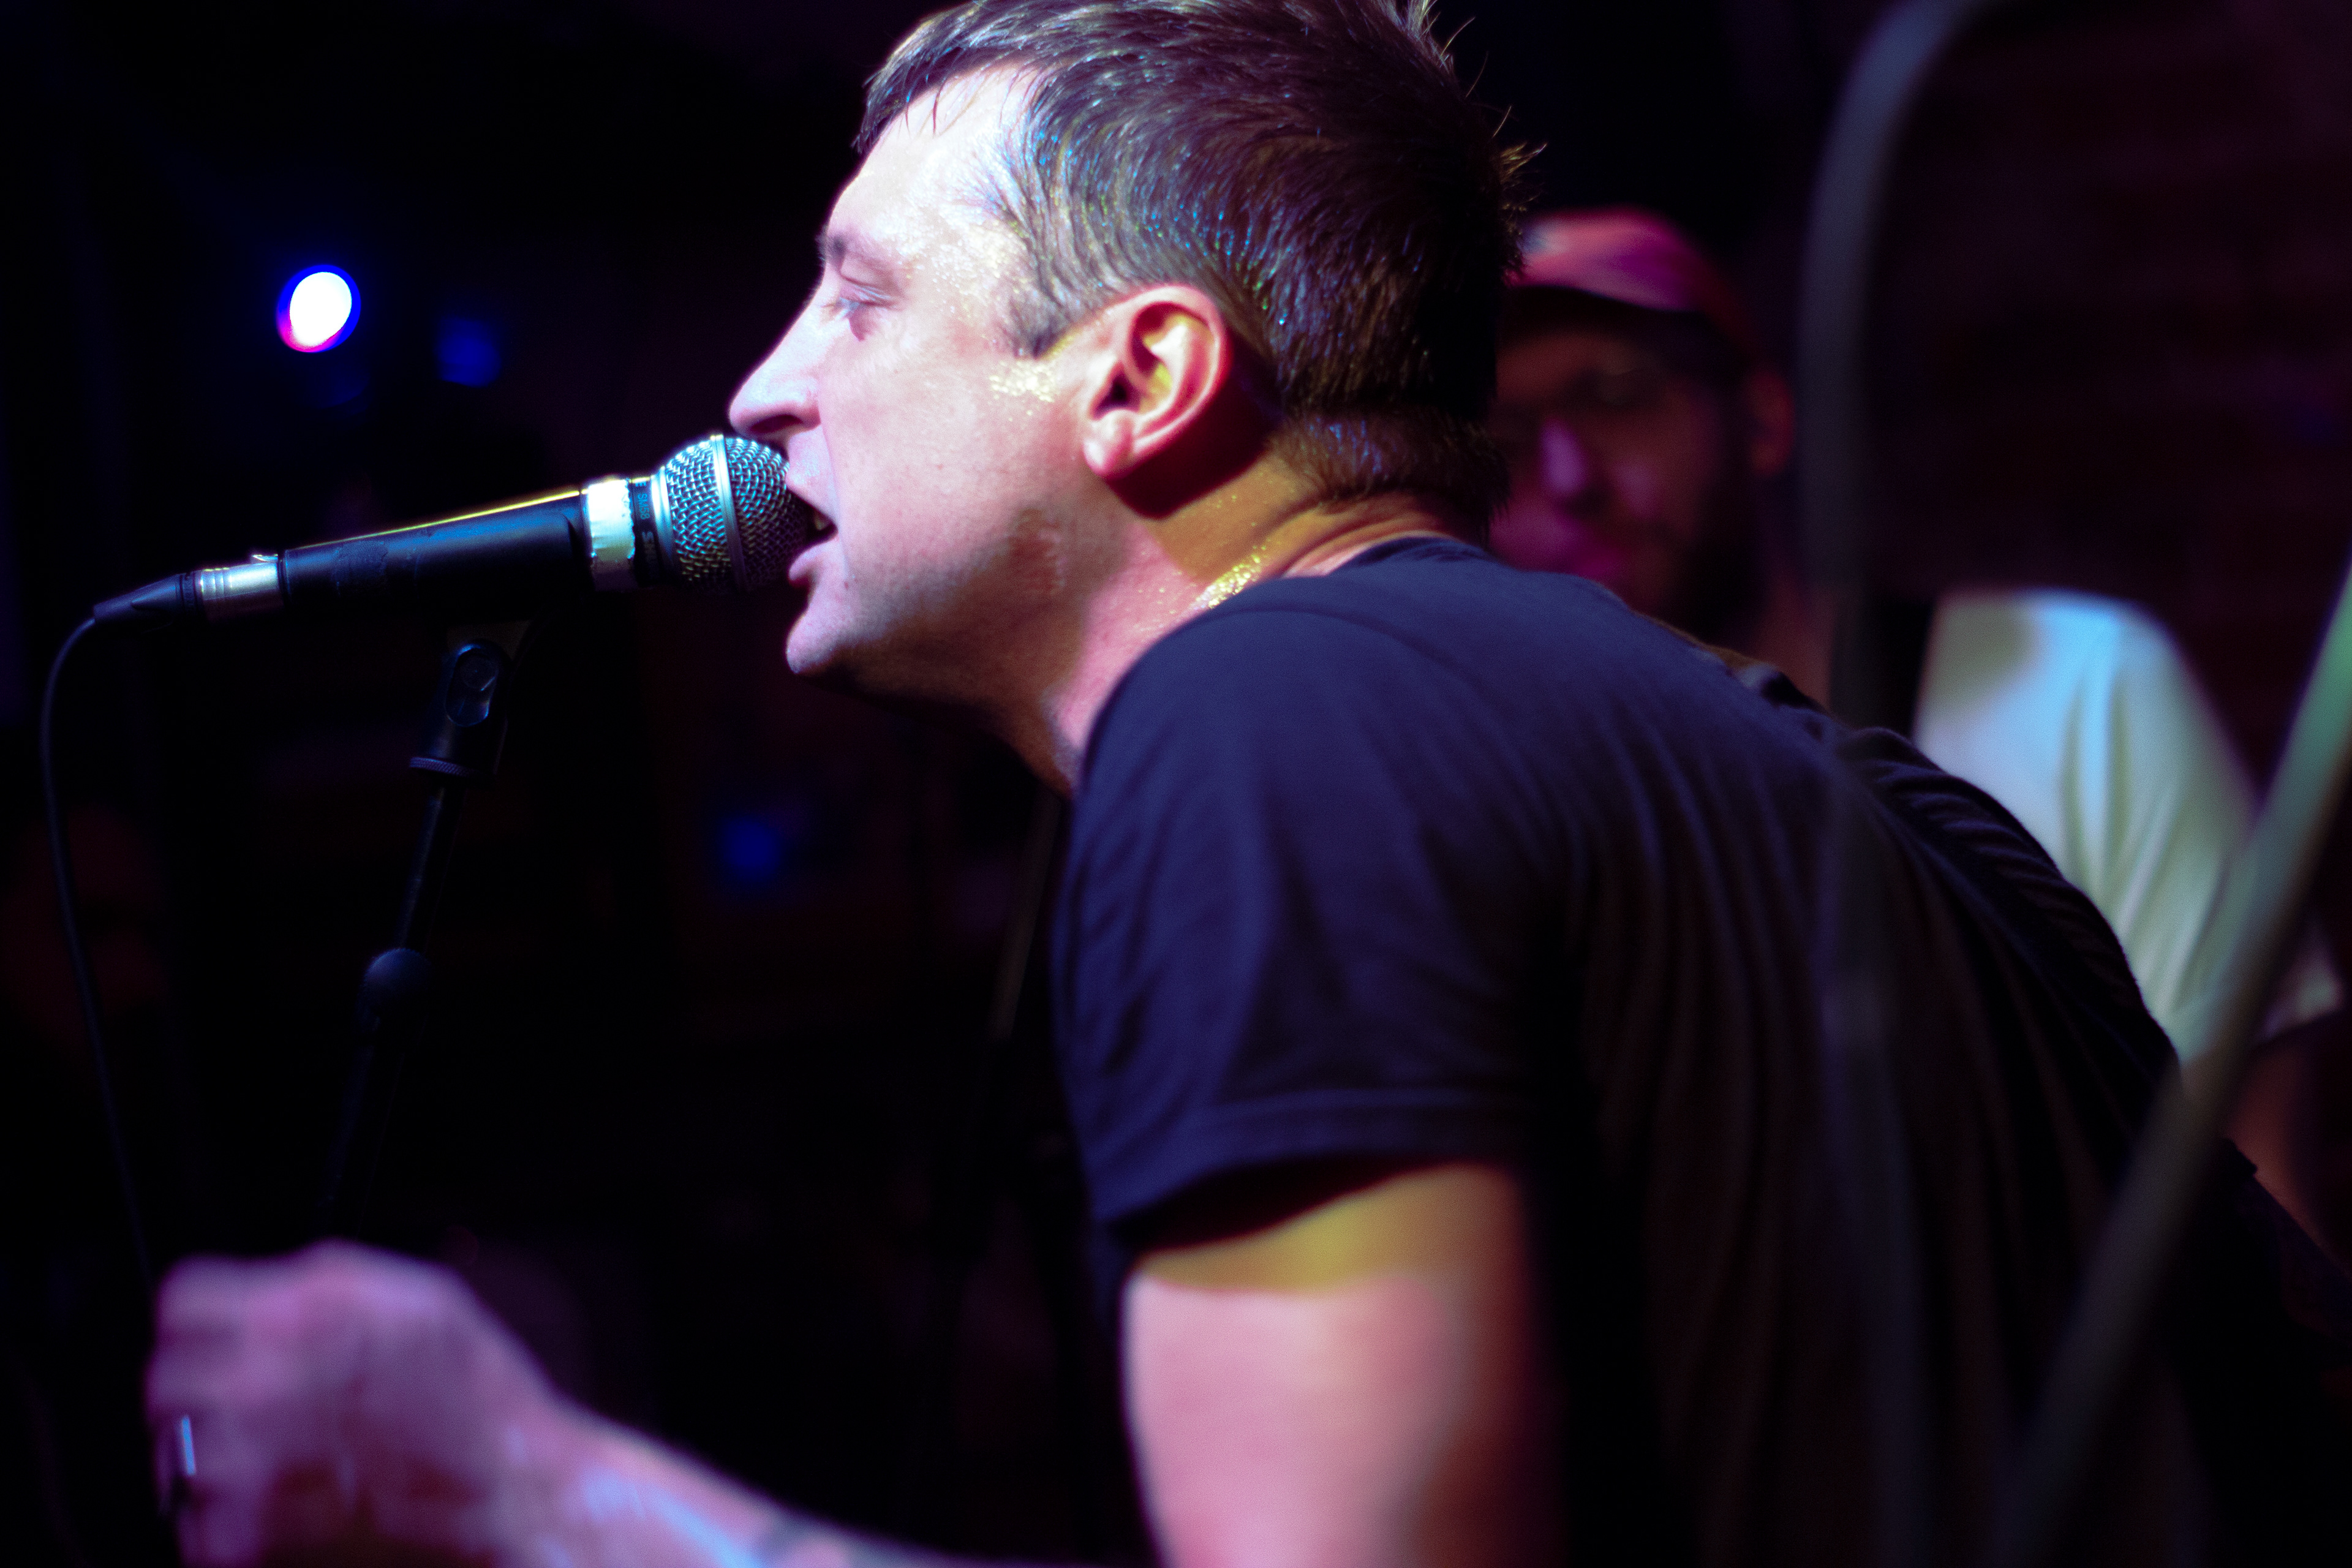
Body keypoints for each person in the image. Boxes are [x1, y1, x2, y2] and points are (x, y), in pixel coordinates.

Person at [143, 4, 2352, 1566]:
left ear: (1143, 378)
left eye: (857, 298)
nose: (760, 390)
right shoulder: (1826, 780)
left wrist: (529, 1492)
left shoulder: (1265, 723)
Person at [1490, 207, 2344, 1235]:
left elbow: (2261, 1201)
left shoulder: (2078, 688)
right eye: (1504, 441)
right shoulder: (1509, 824)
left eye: (1616, 396)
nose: (1568, 478)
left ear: (1763, 419)